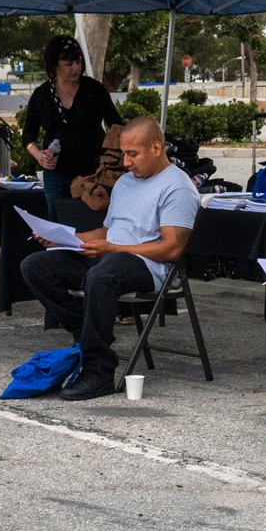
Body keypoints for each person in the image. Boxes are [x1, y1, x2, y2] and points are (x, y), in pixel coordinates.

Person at [13, 119, 193, 401]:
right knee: (35, 266)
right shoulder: (124, 182)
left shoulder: (177, 187)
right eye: (124, 153)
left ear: (157, 148)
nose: (126, 161)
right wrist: (64, 238)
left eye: (133, 154)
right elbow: (107, 232)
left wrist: (112, 249)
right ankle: (86, 337)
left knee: (102, 274)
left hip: (148, 264)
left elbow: (171, 249)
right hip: (111, 255)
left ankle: (99, 371)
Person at [13, 36, 118, 223]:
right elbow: (28, 135)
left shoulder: (95, 90)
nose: (76, 69)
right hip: (56, 172)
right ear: (54, 66)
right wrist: (38, 155)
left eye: (78, 62)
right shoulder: (41, 95)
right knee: (58, 221)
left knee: (93, 221)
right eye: (68, 64)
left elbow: (116, 125)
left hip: (93, 170)